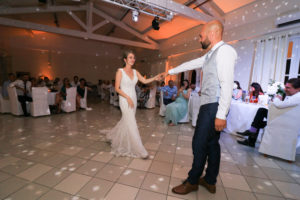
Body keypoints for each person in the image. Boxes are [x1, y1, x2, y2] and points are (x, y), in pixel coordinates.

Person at [164, 20, 237, 195]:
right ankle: (210, 180)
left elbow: (227, 85)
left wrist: (221, 114)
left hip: (214, 106)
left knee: (199, 144)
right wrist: (171, 72)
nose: (199, 39)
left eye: (201, 35)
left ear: (212, 34)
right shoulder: (211, 54)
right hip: (210, 104)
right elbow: (192, 63)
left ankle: (192, 181)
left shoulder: (225, 51)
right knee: (212, 144)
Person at [106, 50, 163, 158]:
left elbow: (145, 81)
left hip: (134, 98)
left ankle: (114, 136)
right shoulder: (120, 71)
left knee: (127, 121)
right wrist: (127, 98)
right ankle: (140, 150)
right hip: (125, 99)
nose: (133, 59)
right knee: (131, 122)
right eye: (130, 57)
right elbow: (117, 88)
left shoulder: (136, 71)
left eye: (133, 58)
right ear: (125, 59)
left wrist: (155, 77)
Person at [237, 78, 300, 147]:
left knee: (261, 112)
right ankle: (251, 137)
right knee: (260, 116)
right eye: (285, 87)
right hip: (285, 119)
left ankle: (251, 135)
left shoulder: (297, 97)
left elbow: (280, 105)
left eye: (288, 88)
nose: (285, 89)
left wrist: (277, 98)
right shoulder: (294, 96)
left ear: (298, 89)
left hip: (287, 122)